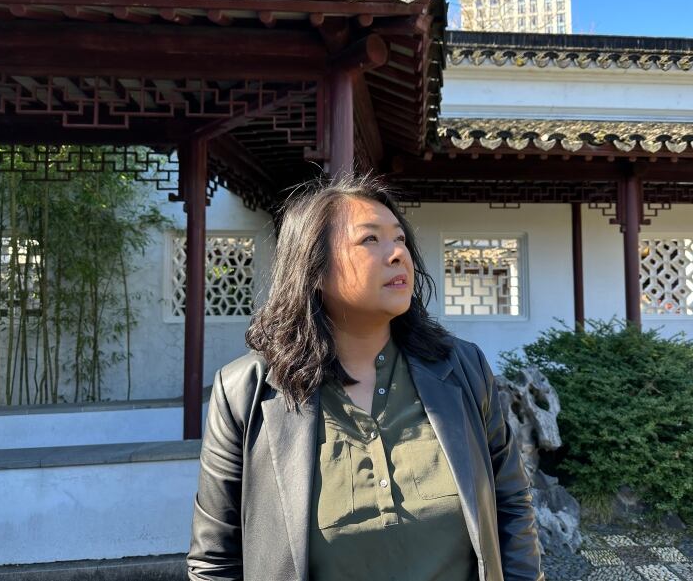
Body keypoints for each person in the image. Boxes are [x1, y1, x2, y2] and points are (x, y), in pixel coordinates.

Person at [186, 175, 544, 581]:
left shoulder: (462, 368)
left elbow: (512, 506)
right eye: (370, 240)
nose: (397, 255)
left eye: (400, 239)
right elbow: (214, 561)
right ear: (314, 268)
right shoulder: (245, 393)